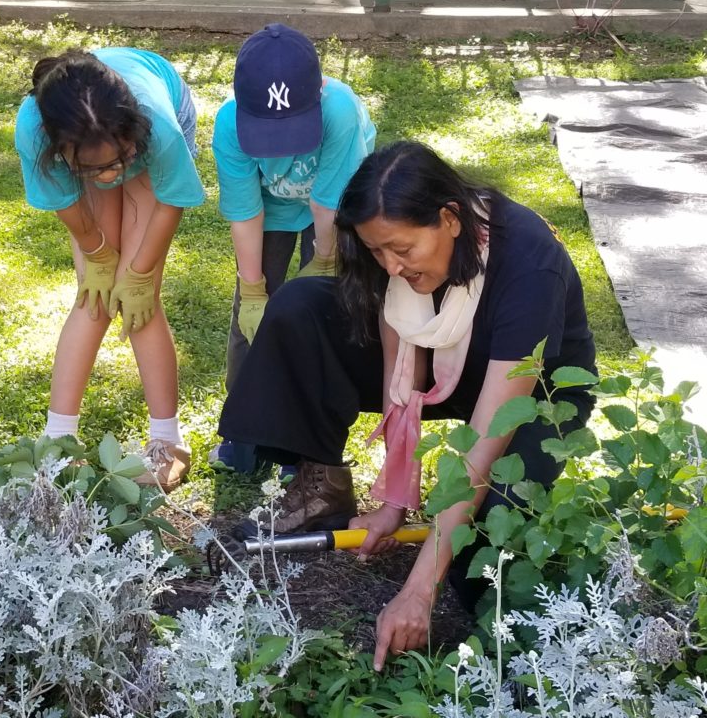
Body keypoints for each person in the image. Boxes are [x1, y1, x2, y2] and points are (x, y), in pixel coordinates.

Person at [218, 141, 596, 669]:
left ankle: (523, 663)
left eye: (402, 250)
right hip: (447, 367)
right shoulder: (389, 249)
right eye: (378, 252)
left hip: (538, 394)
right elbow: (404, 385)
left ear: (450, 219)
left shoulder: (529, 264)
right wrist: (396, 500)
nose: (391, 267)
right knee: (301, 309)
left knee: (488, 532)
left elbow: (488, 440)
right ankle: (322, 485)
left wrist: (419, 590)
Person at [15, 47, 205, 492]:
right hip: (95, 137)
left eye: (117, 161)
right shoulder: (34, 130)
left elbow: (172, 198)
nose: (110, 176)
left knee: (139, 298)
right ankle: (58, 440)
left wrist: (138, 274)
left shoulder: (157, 125)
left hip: (149, 123)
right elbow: (63, 199)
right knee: (93, 294)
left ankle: (167, 444)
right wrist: (98, 254)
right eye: (95, 169)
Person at [210, 23, 377, 472]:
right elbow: (245, 212)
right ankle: (242, 432)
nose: (281, 144)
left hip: (334, 203)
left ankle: (304, 440)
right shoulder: (228, 127)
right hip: (273, 208)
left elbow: (329, 203)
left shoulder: (340, 113)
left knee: (321, 312)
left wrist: (324, 262)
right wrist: (253, 289)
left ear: (319, 90)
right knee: (251, 311)